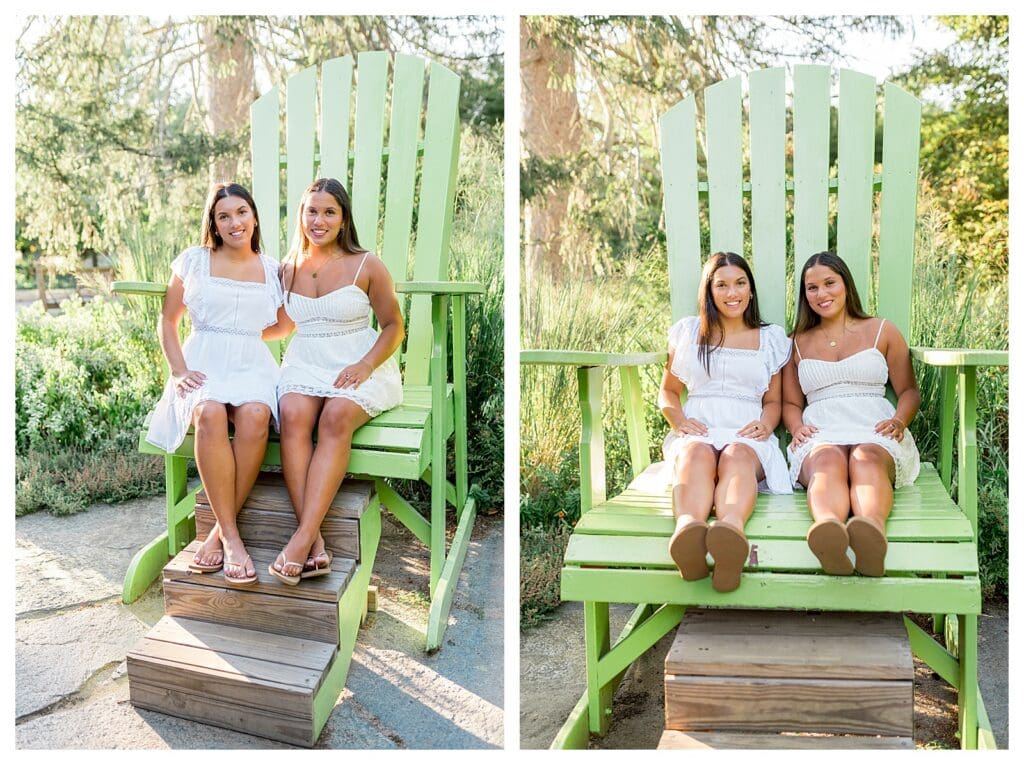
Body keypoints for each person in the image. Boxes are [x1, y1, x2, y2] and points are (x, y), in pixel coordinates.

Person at [263, 178, 404, 585]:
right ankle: (316, 540)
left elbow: (394, 326)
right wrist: (236, 333)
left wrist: (365, 365)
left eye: (329, 212)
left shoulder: (366, 265)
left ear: (343, 219)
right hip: (306, 359)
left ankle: (302, 537)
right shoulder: (288, 269)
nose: (319, 220)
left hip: (356, 359)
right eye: (312, 211)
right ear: (301, 216)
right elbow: (285, 326)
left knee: (335, 418)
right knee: (291, 414)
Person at [146, 182, 282, 584]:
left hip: (251, 361)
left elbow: (283, 325)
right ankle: (233, 539)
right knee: (210, 412)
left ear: (254, 217)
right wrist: (178, 370)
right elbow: (168, 321)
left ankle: (217, 534)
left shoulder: (272, 268)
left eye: (241, 212)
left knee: (256, 415)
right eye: (224, 216)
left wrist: (245, 336)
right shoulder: (194, 261)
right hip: (202, 360)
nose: (234, 222)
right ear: (215, 223)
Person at [782, 251, 921, 577]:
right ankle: (829, 531)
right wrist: (796, 427)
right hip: (821, 428)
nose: (822, 294)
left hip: (873, 424)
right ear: (805, 295)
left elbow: (909, 392)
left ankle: (870, 533)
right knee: (827, 461)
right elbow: (790, 403)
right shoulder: (797, 342)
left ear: (846, 285)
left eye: (829, 283)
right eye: (812, 288)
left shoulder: (881, 330)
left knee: (866, 458)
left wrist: (900, 421)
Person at [660, 252, 792, 592]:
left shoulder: (771, 338)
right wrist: (678, 420)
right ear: (709, 290)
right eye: (722, 285)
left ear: (750, 290)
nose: (732, 293)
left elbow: (773, 400)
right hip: (699, 424)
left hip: (745, 428)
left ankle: (729, 533)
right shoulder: (690, 332)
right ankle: (689, 530)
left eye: (740, 283)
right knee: (696, 456)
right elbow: (669, 393)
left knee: (737, 456)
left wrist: (766, 423)